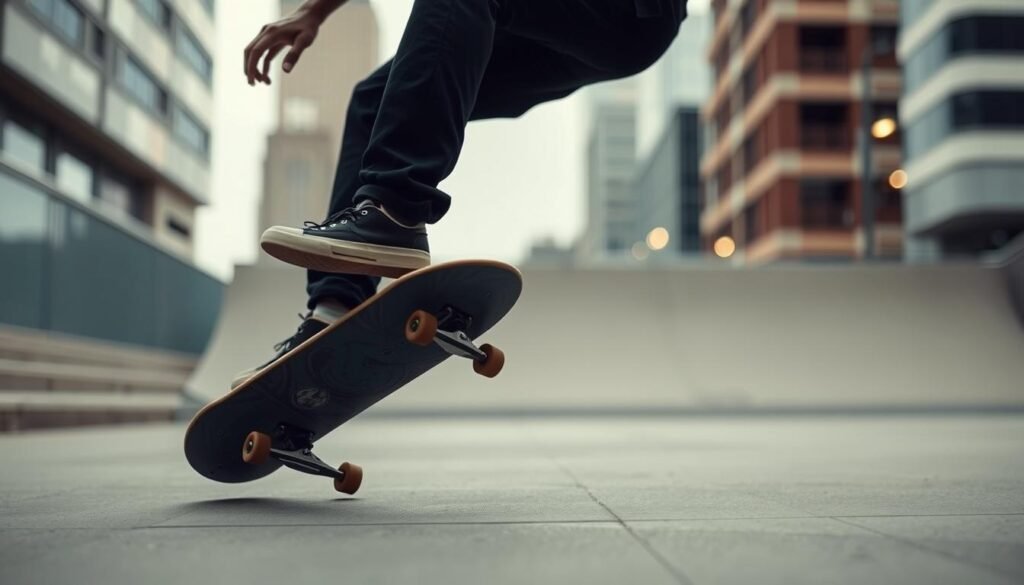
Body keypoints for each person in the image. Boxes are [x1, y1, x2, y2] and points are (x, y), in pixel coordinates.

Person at [233, 0, 688, 385]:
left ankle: (395, 210)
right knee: (375, 98)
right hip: (575, 33)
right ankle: (335, 309)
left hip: (630, 13)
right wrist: (315, 12)